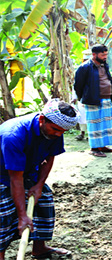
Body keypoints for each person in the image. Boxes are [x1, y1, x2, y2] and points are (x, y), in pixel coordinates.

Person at [0, 99, 78, 260]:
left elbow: (50, 156)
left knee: (44, 201)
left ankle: (39, 248)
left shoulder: (55, 130)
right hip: (4, 174)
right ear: (42, 119)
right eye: (56, 130)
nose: (58, 134)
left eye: (62, 132)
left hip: (27, 170)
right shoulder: (13, 135)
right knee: (4, 214)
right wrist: (23, 216)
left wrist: (39, 185)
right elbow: (16, 180)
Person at [74, 44, 112, 157]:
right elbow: (78, 86)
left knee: (106, 124)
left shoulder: (104, 66)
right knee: (95, 125)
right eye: (102, 55)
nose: (105, 57)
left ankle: (102, 146)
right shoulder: (84, 67)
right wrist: (83, 99)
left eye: (106, 54)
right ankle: (94, 148)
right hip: (93, 100)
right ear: (94, 55)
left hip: (106, 99)